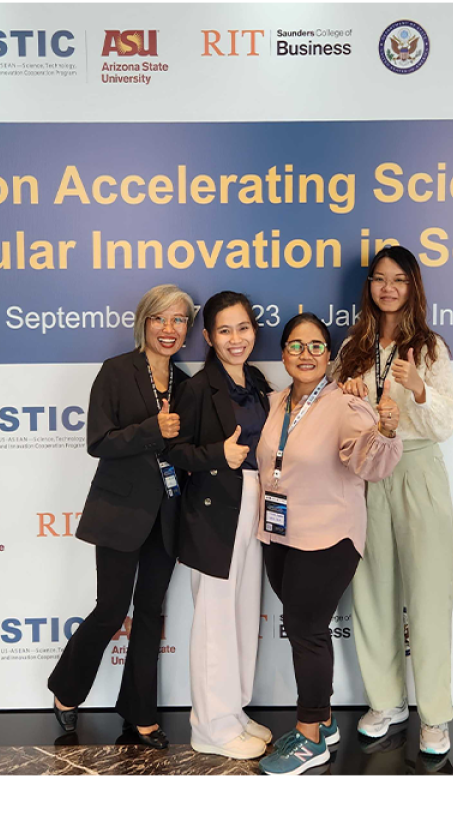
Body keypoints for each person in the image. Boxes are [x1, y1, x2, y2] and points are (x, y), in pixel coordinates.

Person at [48, 284, 195, 750]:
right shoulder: (116, 372)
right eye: (160, 319)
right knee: (112, 608)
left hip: (167, 515)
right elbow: (99, 441)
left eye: (179, 320)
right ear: (144, 323)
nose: (169, 329)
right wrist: (151, 431)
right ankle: (66, 690)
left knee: (150, 613)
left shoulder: (187, 384)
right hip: (119, 511)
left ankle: (141, 713)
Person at [256, 314, 403, 777]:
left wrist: (385, 430)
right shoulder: (277, 402)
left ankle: (312, 737)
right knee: (302, 625)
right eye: (296, 345)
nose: (305, 354)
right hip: (280, 533)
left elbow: (368, 463)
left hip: (328, 537)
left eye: (316, 345)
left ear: (328, 355)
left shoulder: (345, 404)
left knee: (306, 630)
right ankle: (325, 721)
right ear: (283, 354)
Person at [335, 246, 453, 756]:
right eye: (380, 279)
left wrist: (420, 390)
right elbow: (337, 417)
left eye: (399, 279)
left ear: (413, 286)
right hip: (367, 473)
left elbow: (447, 423)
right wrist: (346, 394)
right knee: (370, 592)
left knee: (429, 595)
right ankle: (386, 701)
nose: (388, 288)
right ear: (369, 286)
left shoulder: (429, 347)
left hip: (416, 468)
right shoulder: (354, 345)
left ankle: (434, 715)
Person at [168, 292, 273, 760]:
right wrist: (218, 456)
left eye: (243, 328)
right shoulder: (195, 388)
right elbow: (173, 452)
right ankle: (209, 726)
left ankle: (233, 711)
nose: (236, 339)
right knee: (214, 618)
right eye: (225, 331)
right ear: (208, 337)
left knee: (244, 612)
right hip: (213, 511)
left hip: (257, 505)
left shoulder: (257, 380)